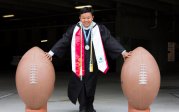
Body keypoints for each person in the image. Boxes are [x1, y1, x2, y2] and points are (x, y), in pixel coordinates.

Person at [45, 7, 131, 112]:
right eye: (83, 18)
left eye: (88, 18)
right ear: (80, 18)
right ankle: (83, 106)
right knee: (80, 85)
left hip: (92, 62)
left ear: (92, 17)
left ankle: (89, 105)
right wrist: (51, 53)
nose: (86, 20)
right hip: (78, 62)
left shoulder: (99, 28)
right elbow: (64, 40)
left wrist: (123, 52)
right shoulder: (74, 29)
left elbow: (109, 40)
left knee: (91, 85)